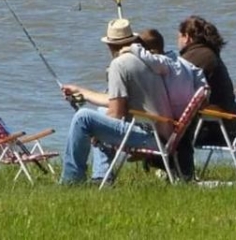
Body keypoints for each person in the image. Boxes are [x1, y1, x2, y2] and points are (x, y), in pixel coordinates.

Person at [59, 18, 173, 185]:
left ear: (109, 45)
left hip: (150, 137)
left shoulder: (118, 65)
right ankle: (101, 177)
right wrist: (81, 91)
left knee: (83, 118)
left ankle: (71, 180)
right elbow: (116, 102)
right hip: (163, 133)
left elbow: (116, 113)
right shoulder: (146, 60)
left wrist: (97, 132)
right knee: (99, 113)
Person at [122, 28, 206, 180]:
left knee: (131, 114)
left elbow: (150, 59)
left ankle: (141, 153)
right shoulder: (184, 62)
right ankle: (169, 167)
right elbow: (201, 79)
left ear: (153, 51)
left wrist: (131, 48)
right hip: (185, 121)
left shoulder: (163, 62)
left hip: (170, 123)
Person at [179, 15, 236, 148]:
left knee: (164, 126)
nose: (178, 41)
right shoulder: (209, 53)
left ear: (187, 37)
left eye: (179, 37)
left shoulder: (195, 57)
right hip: (228, 125)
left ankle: (171, 166)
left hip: (216, 129)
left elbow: (175, 86)